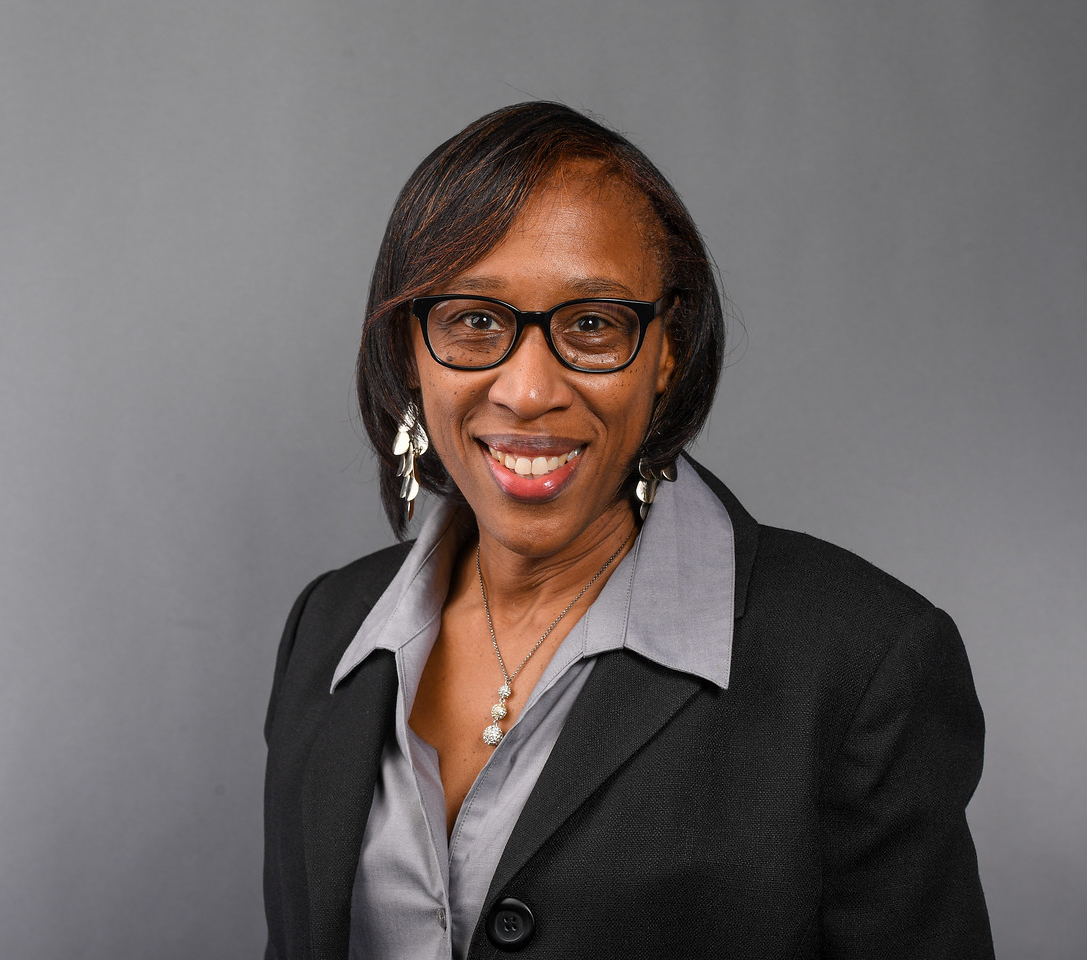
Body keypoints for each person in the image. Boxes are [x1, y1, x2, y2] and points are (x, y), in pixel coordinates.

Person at [262, 101, 994, 960]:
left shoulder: (863, 662)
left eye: (592, 324)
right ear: (409, 347)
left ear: (667, 349)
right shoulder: (326, 629)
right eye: (475, 320)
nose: (529, 391)